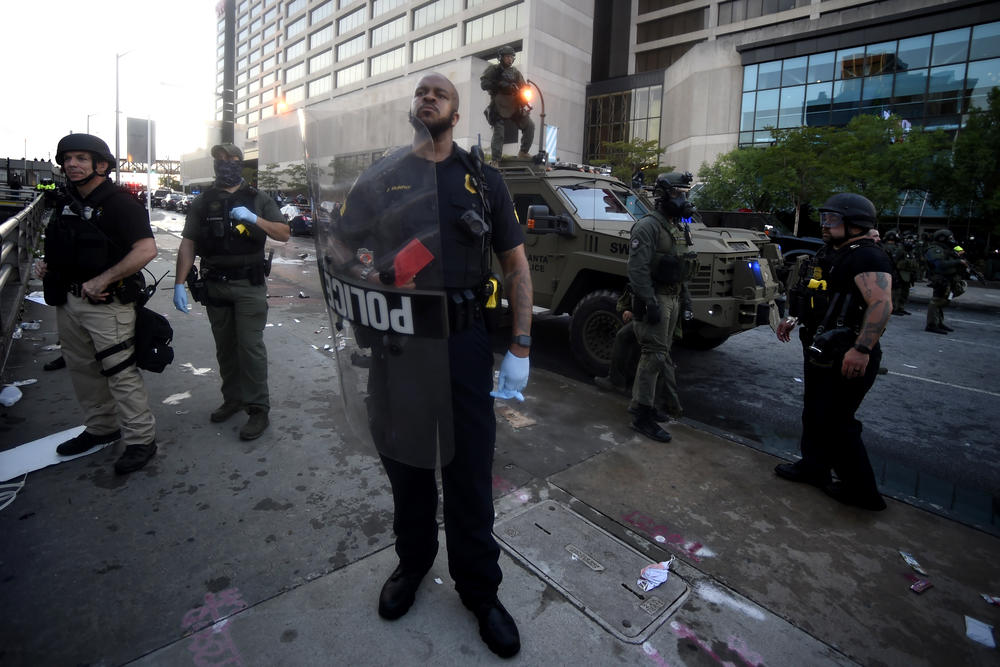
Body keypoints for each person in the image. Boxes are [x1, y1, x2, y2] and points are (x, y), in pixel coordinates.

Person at [335, 73, 532, 658]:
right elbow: (342, 247)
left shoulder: (483, 179)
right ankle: (412, 565)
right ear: (412, 107)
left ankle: (480, 591)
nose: (428, 97)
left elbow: (516, 267)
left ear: (455, 108)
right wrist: (363, 269)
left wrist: (520, 345)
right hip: (399, 347)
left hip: (464, 343)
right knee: (408, 466)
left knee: (470, 471)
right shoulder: (381, 177)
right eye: (421, 92)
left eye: (439, 92)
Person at [35, 133, 158, 474]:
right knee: (83, 371)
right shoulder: (64, 200)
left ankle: (140, 441)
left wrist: (104, 279)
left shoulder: (120, 203)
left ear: (100, 165)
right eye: (67, 158)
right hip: (69, 300)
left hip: (108, 305)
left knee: (120, 373)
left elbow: (147, 250)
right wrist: (47, 264)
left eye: (80, 158)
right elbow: (67, 243)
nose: (71, 164)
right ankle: (102, 428)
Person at [775, 193, 892, 511]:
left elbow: (881, 304)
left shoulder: (868, 257)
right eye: (825, 218)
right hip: (819, 345)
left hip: (848, 350)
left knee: (839, 421)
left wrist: (862, 348)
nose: (825, 224)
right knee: (814, 412)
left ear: (856, 224)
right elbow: (816, 291)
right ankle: (814, 467)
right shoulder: (832, 252)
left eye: (833, 219)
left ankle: (862, 492)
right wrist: (793, 317)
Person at [172, 143, 289, 440]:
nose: (225, 164)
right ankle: (233, 398)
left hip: (248, 285)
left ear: (240, 163)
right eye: (219, 160)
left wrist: (253, 219)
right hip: (215, 284)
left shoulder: (257, 198)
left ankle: (258, 408)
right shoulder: (203, 201)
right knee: (225, 347)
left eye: (231, 159)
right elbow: (188, 242)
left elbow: (283, 233)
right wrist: (179, 283)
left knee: (249, 348)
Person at [625, 173, 698, 442]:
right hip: (656, 298)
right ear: (663, 195)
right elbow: (637, 269)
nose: (683, 199)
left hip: (673, 297)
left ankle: (646, 405)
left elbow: (681, 267)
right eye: (678, 193)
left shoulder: (675, 227)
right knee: (653, 355)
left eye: (685, 193)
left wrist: (686, 300)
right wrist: (649, 302)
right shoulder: (647, 227)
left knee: (661, 355)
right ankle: (641, 416)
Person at [480, 45, 535, 165]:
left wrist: (525, 89)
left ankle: (523, 152)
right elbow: (484, 84)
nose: (509, 59)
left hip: (514, 105)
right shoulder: (494, 69)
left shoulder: (515, 72)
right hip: (499, 105)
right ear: (501, 57)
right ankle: (495, 160)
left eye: (511, 57)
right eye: (507, 57)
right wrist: (500, 85)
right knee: (499, 132)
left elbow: (523, 86)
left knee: (530, 125)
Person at [924, 228, 967, 335]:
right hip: (940, 279)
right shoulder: (935, 249)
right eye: (950, 238)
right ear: (942, 238)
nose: (952, 240)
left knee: (944, 300)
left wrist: (956, 246)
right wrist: (958, 262)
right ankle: (931, 324)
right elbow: (940, 264)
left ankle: (939, 322)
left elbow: (962, 252)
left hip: (949, 278)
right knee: (937, 301)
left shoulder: (948, 248)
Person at [883, 230, 918, 315]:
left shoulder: (904, 249)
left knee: (904, 291)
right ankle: (894, 308)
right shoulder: (898, 249)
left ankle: (900, 307)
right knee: (897, 291)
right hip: (897, 273)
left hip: (905, 273)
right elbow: (893, 261)